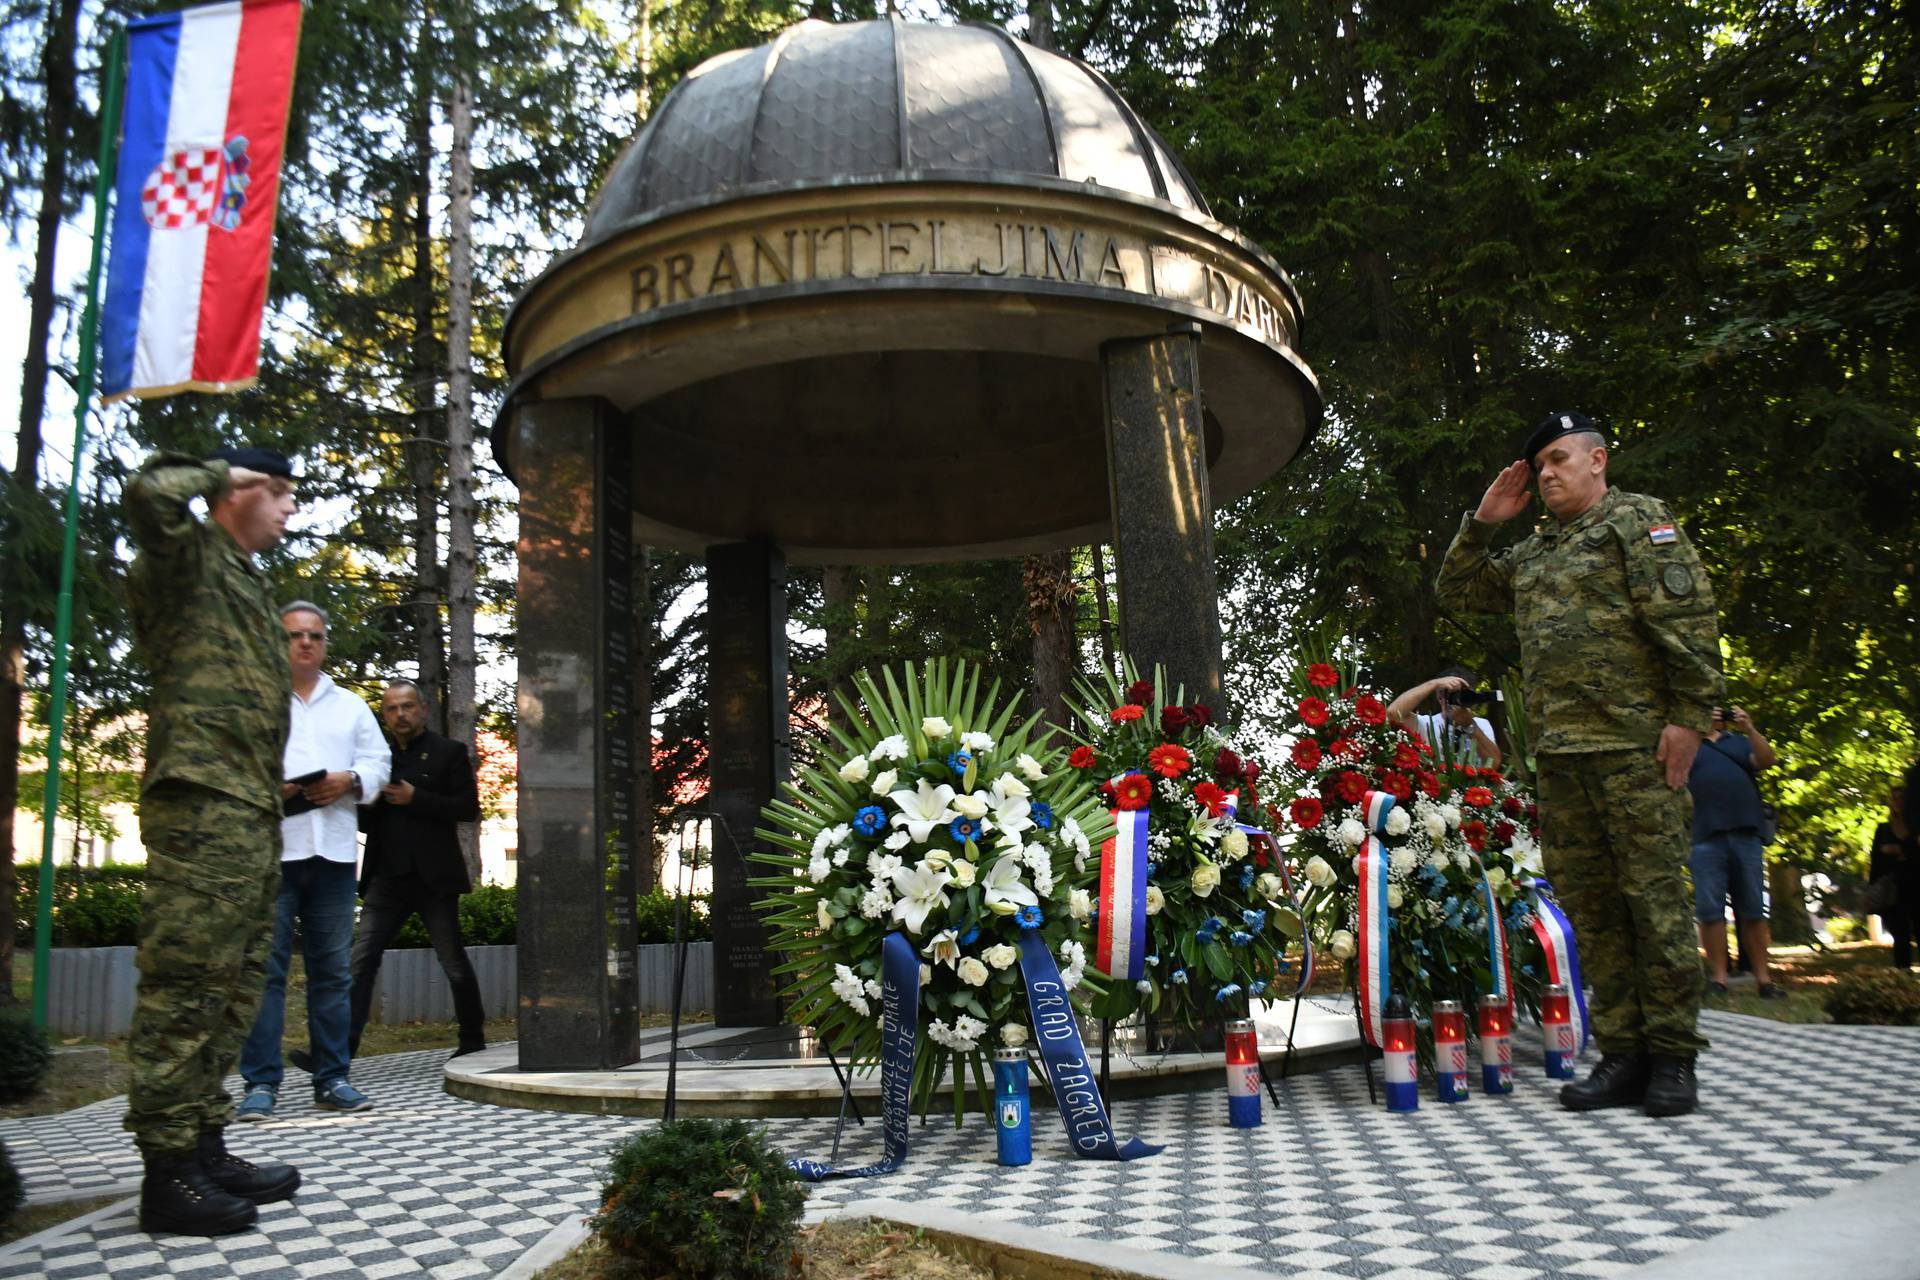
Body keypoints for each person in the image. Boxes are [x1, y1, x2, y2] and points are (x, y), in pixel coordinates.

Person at [1437, 410, 1723, 1118]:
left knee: (1654, 904)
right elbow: (1457, 592)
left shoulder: (1637, 522)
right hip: (1563, 757)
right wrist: (1483, 522)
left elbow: (1687, 623)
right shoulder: (1533, 553)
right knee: (1594, 911)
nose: (1549, 473)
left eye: (1562, 459)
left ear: (1599, 460)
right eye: (1541, 467)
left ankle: (1674, 1058)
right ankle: (1624, 1053)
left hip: (1635, 749)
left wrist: (1690, 718)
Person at [122, 447, 304, 1236]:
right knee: (185, 986)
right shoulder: (185, 556)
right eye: (283, 495)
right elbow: (148, 495)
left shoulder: (245, 581)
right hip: (201, 802)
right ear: (245, 492)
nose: (290, 512)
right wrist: (219, 472)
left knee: (229, 990)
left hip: (250, 808)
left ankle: (203, 1145)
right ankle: (166, 1177)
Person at [233, 603, 389, 1121]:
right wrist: (269, 788)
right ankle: (260, 1083)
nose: (305, 643)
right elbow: (234, 766)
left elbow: (379, 764)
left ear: (325, 644)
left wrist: (350, 780)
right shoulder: (255, 701)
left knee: (332, 973)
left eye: (315, 636)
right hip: (272, 852)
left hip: (334, 854)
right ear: (279, 643)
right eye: (295, 635)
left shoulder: (349, 706)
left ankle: (333, 1078)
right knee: (264, 973)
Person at [345, 678, 487, 1059]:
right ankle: (341, 1047)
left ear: (423, 710)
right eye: (392, 709)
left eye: (407, 706)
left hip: (434, 878)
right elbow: (364, 821)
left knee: (452, 960)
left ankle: (472, 1039)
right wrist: (367, 801)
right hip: (386, 877)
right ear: (385, 716)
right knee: (360, 962)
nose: (400, 714)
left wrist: (416, 798)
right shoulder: (378, 758)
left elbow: (467, 808)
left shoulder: (448, 752)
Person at [1688, 705, 1783, 997]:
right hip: (1704, 836)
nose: (1715, 714)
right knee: (1709, 911)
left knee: (1754, 908)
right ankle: (1719, 978)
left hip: (1746, 833)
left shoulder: (1739, 743)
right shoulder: (1688, 745)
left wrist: (1750, 728)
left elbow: (1767, 760)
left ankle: (1764, 979)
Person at [1387, 666, 1502, 767]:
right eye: (1448, 693)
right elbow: (1392, 714)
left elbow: (1494, 763)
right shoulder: (1426, 723)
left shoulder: (1481, 724)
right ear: (1439, 696)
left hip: (1473, 790)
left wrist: (1469, 726)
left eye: (1463, 694)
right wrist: (1434, 684)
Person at [1868, 786, 1917, 970]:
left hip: (1915, 885)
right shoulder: (1883, 830)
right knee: (1900, 934)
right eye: (1894, 798)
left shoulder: (1915, 828)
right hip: (1893, 889)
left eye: (1901, 798)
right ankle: (1904, 974)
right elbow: (1877, 861)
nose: (1897, 802)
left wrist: (1898, 850)